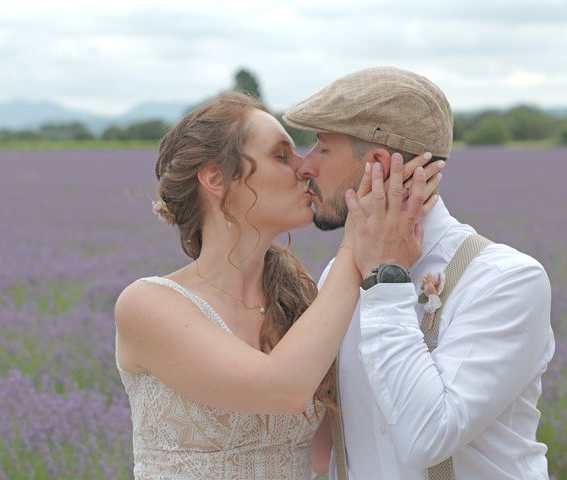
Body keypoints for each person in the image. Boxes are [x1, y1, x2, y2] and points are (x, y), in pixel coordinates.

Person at [114, 90, 442, 479]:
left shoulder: (300, 302)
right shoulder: (147, 305)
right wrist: (358, 239)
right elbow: (282, 389)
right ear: (216, 179)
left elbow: (338, 452)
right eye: (281, 155)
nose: (306, 168)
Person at [284, 66, 555, 479]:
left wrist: (385, 279)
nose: (305, 166)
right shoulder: (334, 281)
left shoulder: (506, 280)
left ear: (376, 164)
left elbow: (428, 437)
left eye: (321, 148)